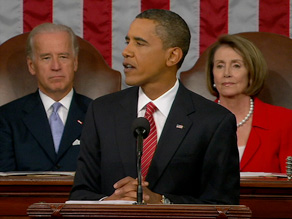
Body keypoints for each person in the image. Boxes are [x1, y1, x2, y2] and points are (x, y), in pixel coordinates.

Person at [70, 9, 239, 204]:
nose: (126, 51)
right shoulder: (101, 111)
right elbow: (80, 195)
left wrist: (162, 202)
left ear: (172, 56)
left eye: (140, 43)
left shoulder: (213, 121)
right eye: (128, 42)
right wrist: (110, 202)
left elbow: (224, 205)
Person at [0, 23, 92, 171]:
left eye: (63, 57)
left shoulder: (99, 114)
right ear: (31, 66)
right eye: (46, 58)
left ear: (75, 62)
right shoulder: (6, 118)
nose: (56, 66)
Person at [206, 34, 292, 173]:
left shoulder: (284, 121)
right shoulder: (195, 121)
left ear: (252, 73)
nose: (226, 73)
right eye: (220, 66)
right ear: (212, 74)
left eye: (236, 66)